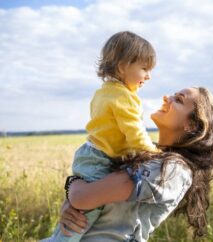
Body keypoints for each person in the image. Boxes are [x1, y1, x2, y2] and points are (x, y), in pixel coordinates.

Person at [56, 87, 213, 242]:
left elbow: (83, 197)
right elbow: (87, 193)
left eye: (179, 99)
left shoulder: (173, 169)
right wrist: (71, 204)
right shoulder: (147, 155)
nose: (167, 98)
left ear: (191, 124)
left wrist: (72, 187)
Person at [45, 31, 159, 242]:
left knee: (81, 211)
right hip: (99, 159)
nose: (148, 76)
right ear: (123, 65)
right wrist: (153, 152)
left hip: (91, 154)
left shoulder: (105, 91)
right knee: (83, 215)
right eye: (144, 68)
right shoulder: (123, 97)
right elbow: (134, 132)